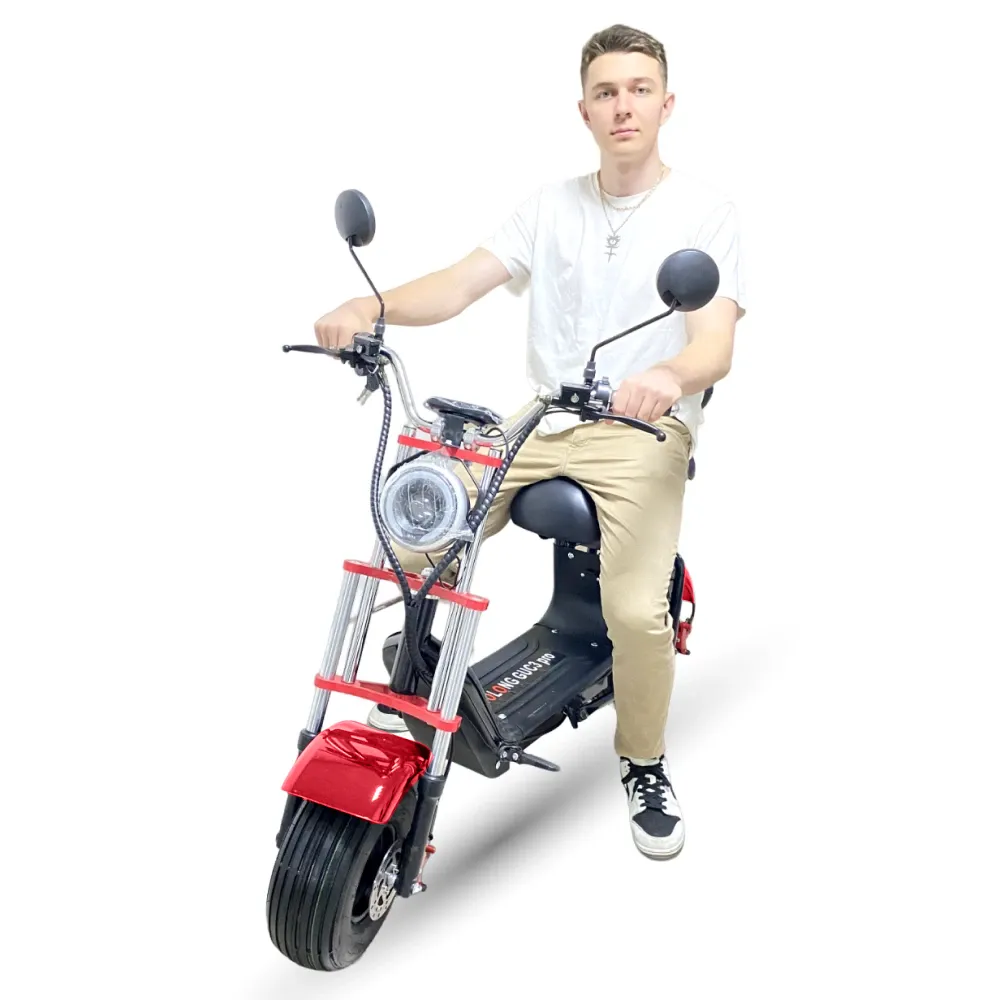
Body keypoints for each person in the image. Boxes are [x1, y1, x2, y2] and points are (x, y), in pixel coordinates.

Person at [314, 24, 746, 860]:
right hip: (542, 418)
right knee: (413, 540)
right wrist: (371, 307)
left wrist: (669, 376)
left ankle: (644, 761)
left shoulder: (705, 213)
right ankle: (413, 692)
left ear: (667, 104)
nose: (623, 106)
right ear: (584, 110)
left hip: (640, 431)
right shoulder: (550, 206)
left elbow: (715, 343)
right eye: (607, 92)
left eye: (640, 89)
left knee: (635, 612)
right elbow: (458, 284)